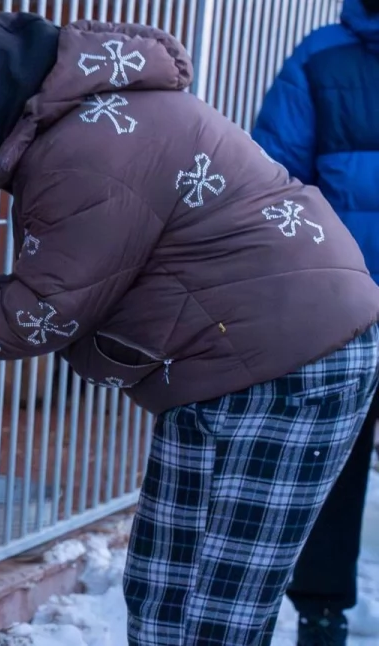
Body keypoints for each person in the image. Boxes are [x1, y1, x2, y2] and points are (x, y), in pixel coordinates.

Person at [0, 11, 379, 646]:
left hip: (297, 361)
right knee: (161, 587)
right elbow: (54, 288)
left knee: (219, 610)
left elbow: (37, 315)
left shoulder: (88, 150)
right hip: (219, 358)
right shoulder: (86, 129)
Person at [252, 0, 379, 643]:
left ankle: (321, 616)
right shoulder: (322, 54)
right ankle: (321, 617)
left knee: (335, 455)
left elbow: (274, 179)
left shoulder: (323, 53)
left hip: (342, 300)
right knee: (335, 456)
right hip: (342, 303)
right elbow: (275, 181)